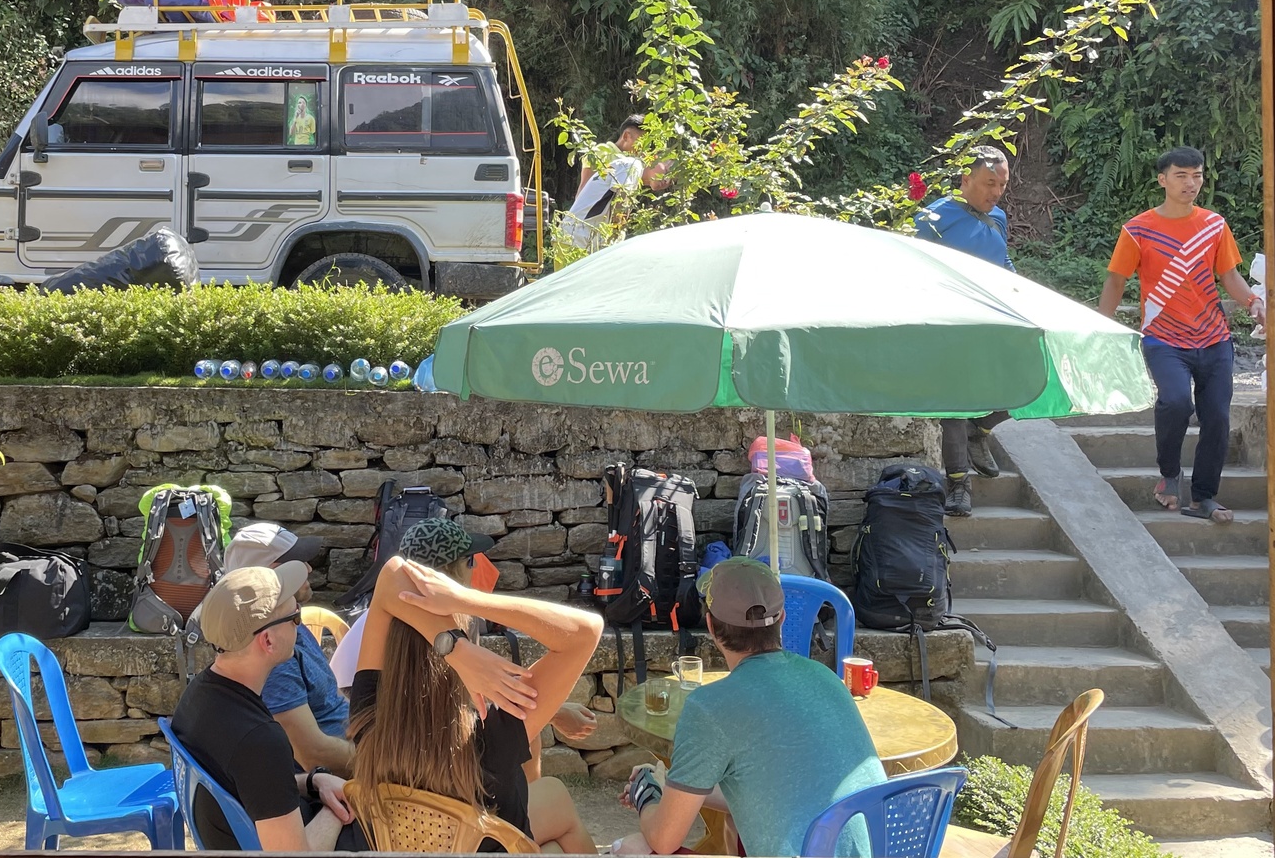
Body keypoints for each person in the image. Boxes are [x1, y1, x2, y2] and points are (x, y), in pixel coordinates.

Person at [348, 520, 604, 853]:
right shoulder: (489, 739)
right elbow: (587, 630)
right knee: (555, 826)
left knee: (552, 806)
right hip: (486, 842)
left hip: (403, 842)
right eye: (471, 562)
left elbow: (391, 574)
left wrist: (455, 649)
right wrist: (466, 602)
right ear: (455, 578)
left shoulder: (368, 710)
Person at [613, 557, 885, 857]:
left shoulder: (710, 708)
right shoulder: (826, 677)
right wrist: (670, 786)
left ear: (711, 626)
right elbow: (764, 790)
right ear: (782, 619)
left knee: (632, 849)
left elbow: (664, 840)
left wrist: (647, 795)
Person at [1098, 146, 1263, 524]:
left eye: (1197, 176)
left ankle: (1203, 497)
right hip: (1163, 338)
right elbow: (1116, 280)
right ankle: (1169, 474)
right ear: (1163, 180)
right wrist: (1100, 326)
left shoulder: (1214, 225)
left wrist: (1254, 302)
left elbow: (1229, 276)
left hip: (1214, 337)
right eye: (1181, 176)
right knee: (1174, 402)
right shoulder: (1138, 230)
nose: (1191, 183)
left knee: (1217, 417)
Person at [169, 563, 362, 851]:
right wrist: (338, 809)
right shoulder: (260, 740)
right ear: (268, 640)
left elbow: (254, 785)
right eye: (295, 618)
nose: (299, 625)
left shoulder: (198, 696)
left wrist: (313, 782)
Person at [913, 144, 1017, 516]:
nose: (996, 192)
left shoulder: (998, 217)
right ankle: (958, 484)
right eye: (990, 183)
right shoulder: (933, 218)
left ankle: (980, 431)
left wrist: (1019, 291)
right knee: (954, 403)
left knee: (1026, 381)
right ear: (966, 179)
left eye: (1002, 185)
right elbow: (913, 267)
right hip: (949, 325)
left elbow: (1002, 259)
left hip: (992, 321)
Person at [222, 523, 352, 774]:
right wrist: (385, 764)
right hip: (341, 775)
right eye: (298, 562)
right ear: (272, 575)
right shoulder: (273, 652)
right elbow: (313, 755)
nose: (309, 568)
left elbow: (332, 699)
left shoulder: (289, 620)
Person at [563, 116, 670, 251]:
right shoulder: (604, 152)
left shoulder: (634, 164)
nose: (645, 151)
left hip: (599, 235)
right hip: (584, 233)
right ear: (626, 136)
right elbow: (584, 191)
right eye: (643, 144)